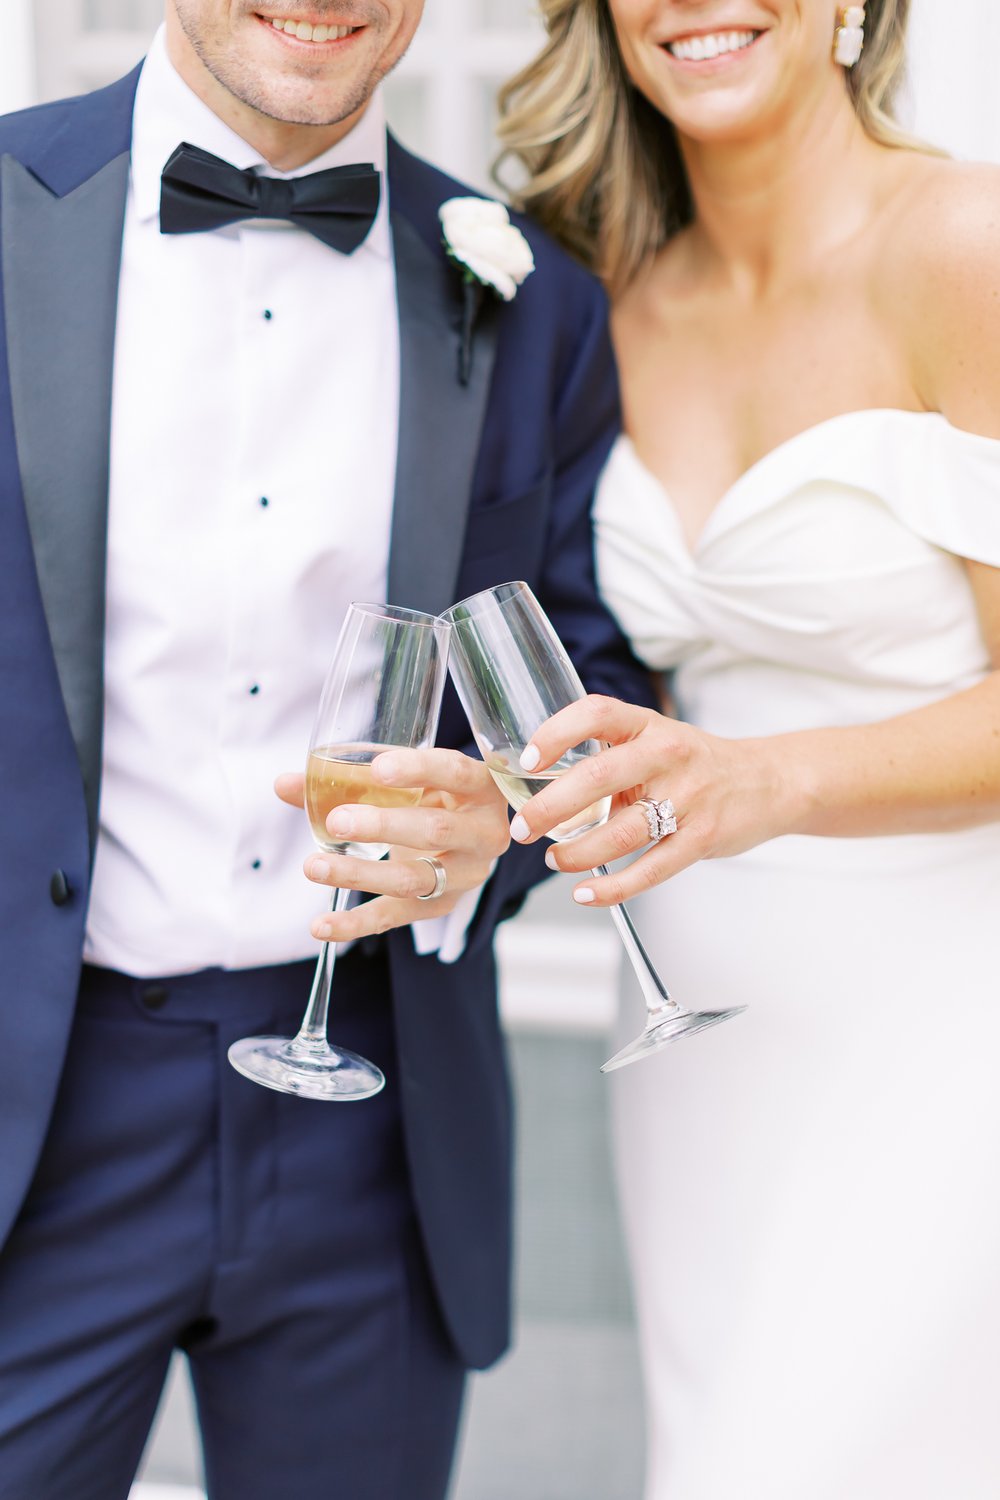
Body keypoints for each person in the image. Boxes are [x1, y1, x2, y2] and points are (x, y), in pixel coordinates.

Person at [0, 4, 653, 1496]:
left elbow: (590, 665)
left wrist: (497, 811)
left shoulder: (524, 288)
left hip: (378, 1116)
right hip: (38, 1105)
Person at [497, 2, 1000, 1495]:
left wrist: (761, 784)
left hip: (938, 1016)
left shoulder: (963, 244)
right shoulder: (594, 282)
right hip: (692, 1016)